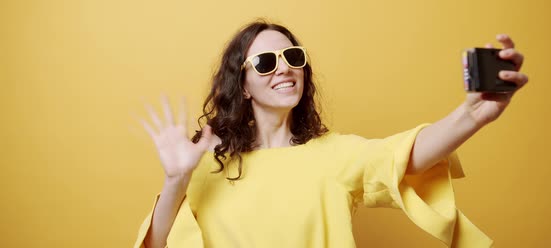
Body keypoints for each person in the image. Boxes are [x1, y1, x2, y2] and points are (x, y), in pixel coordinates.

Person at [133, 20, 528, 248]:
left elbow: (405, 155)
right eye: (267, 62)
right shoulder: (206, 162)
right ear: (243, 84)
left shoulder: (333, 154)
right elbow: (156, 245)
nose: (285, 68)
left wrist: (472, 114)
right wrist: (175, 181)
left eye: (294, 57)